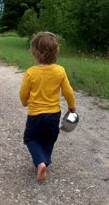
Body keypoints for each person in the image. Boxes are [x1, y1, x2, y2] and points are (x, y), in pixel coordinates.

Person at [19, 32, 76, 182]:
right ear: (56, 52)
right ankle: (45, 162)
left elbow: (23, 92)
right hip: (53, 115)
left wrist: (25, 102)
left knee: (30, 138)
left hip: (35, 115)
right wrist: (72, 107)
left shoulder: (31, 72)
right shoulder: (60, 71)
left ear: (34, 52)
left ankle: (40, 163)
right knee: (49, 138)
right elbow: (68, 91)